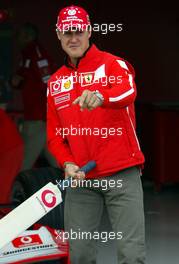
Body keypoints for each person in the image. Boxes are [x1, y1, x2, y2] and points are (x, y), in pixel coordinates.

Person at [47, 5, 146, 264]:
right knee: (79, 256)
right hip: (82, 178)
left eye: (79, 31)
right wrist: (67, 163)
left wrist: (102, 96)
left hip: (121, 172)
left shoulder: (114, 64)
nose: (73, 38)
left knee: (131, 255)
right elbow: (55, 135)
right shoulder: (55, 82)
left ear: (89, 31)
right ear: (58, 34)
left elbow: (128, 93)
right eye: (67, 32)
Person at [11, 23, 58, 170]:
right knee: (55, 159)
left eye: (20, 35)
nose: (17, 38)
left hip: (38, 116)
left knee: (22, 163)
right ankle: (82, 185)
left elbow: (49, 82)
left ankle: (13, 191)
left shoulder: (36, 54)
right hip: (37, 115)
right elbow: (23, 79)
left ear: (28, 36)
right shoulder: (27, 55)